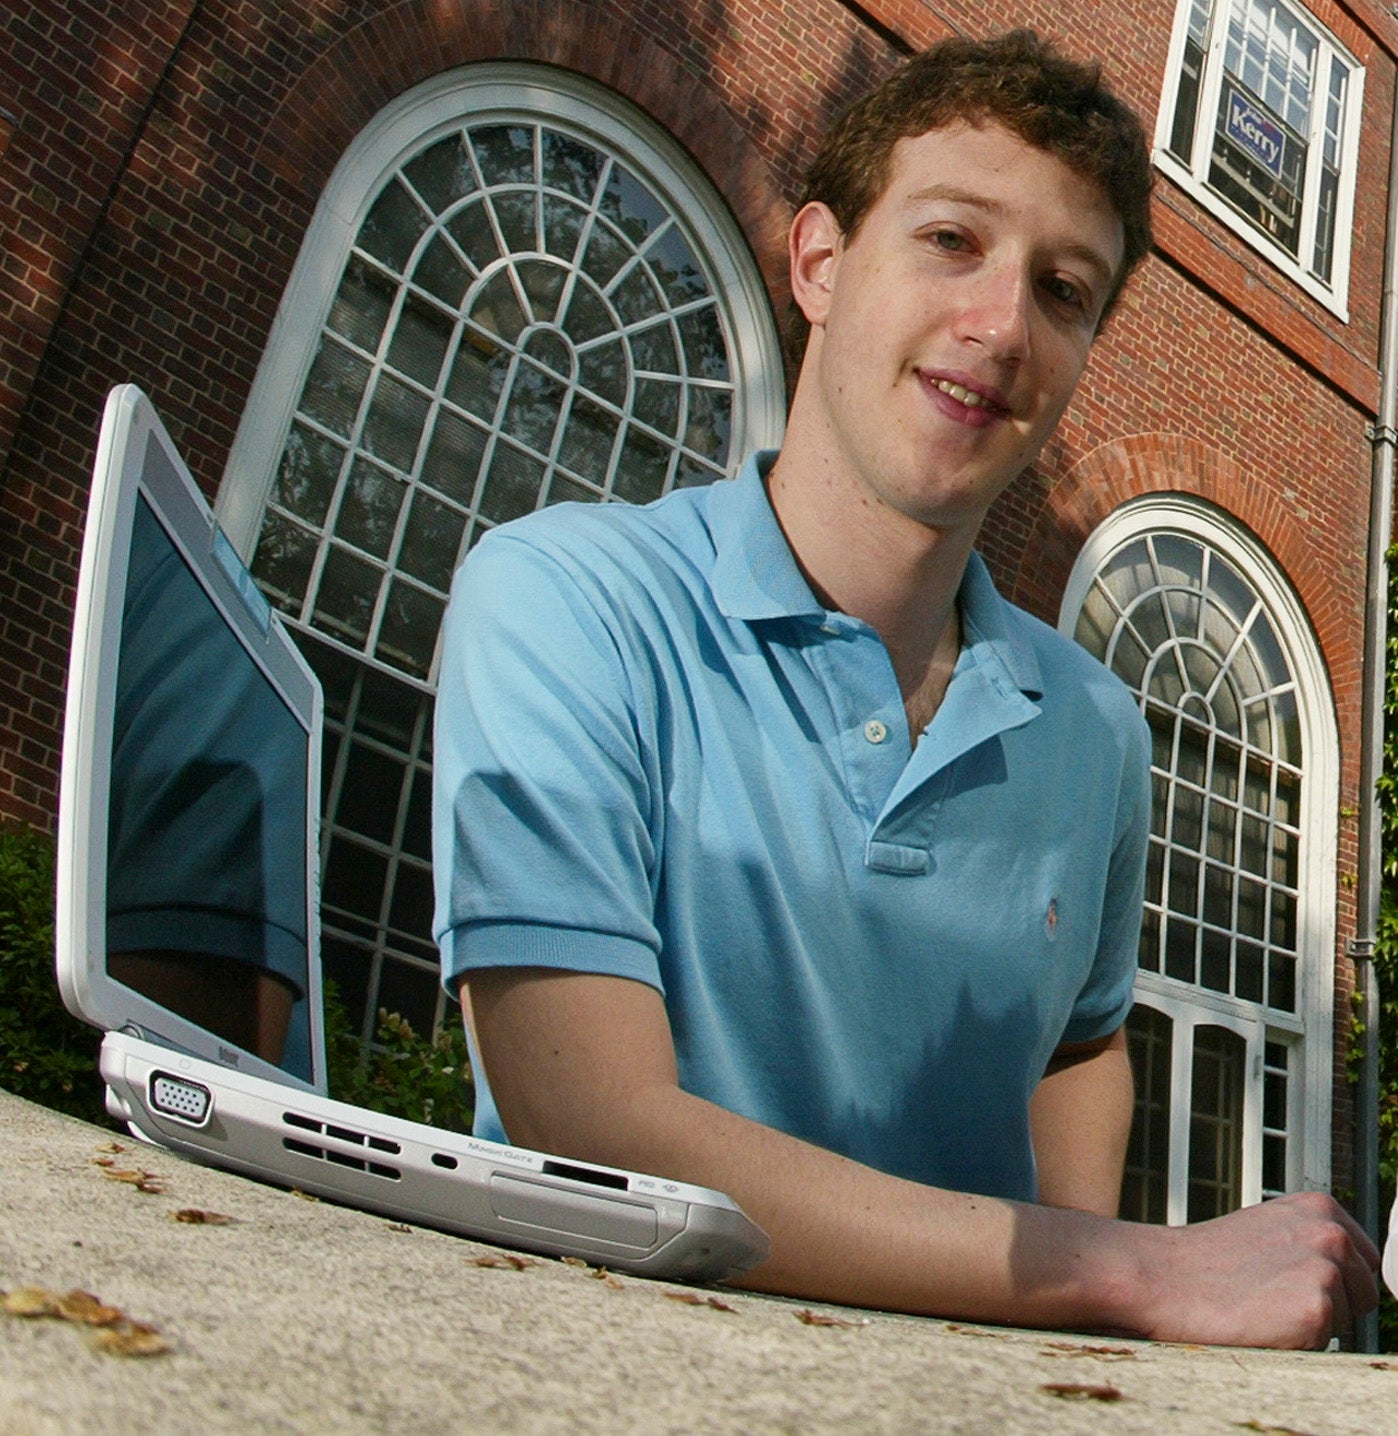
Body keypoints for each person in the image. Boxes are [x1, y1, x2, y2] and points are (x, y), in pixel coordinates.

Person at [432, 30, 1378, 1347]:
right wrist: (1117, 1269)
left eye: (1061, 290)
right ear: (818, 261)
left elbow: (1080, 1045)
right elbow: (588, 1124)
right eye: (950, 241)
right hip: (595, 1367)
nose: (998, 328)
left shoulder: (1096, 731)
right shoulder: (566, 600)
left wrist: (1065, 1330)